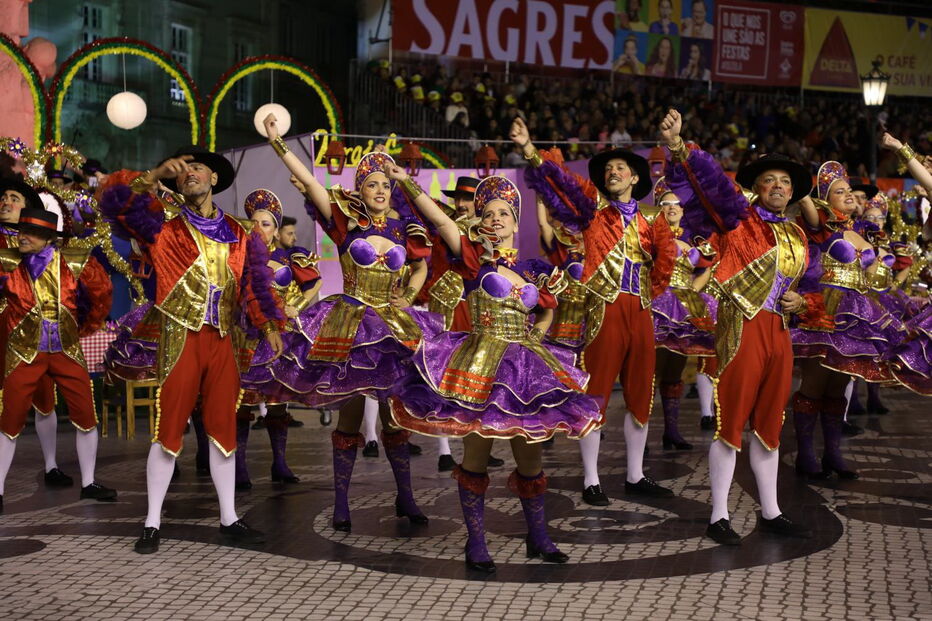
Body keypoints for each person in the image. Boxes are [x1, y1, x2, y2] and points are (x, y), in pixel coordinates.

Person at [388, 172, 602, 572]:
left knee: (530, 458)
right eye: (489, 213)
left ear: (516, 223)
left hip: (524, 366)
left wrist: (537, 333)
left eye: (505, 212)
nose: (497, 218)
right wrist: (407, 183)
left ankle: (538, 538)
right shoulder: (473, 260)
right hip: (482, 363)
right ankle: (477, 542)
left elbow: (547, 309)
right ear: (481, 222)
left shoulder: (530, 269)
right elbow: (442, 222)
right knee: (477, 455)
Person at [100, 145, 285, 554]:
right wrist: (152, 174)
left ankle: (229, 517)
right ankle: (151, 522)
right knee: (168, 428)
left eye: (196, 168)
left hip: (224, 340)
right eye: (182, 171)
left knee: (222, 426)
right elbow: (114, 203)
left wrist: (269, 324)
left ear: (214, 178)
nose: (189, 174)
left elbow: (255, 284)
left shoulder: (241, 232)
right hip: (182, 334)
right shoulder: (162, 225)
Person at [260, 114, 439, 533]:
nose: (379, 190)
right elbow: (312, 180)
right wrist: (278, 142)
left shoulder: (404, 228)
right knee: (350, 416)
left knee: (395, 418)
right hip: (352, 323)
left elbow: (420, 268)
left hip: (392, 324)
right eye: (371, 184)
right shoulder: (344, 222)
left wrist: (409, 295)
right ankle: (341, 502)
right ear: (360, 190)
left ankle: (406, 497)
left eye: (384, 184)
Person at [659, 108, 816, 545]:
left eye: (785, 183)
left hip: (780, 336)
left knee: (770, 424)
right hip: (742, 329)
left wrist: (803, 300)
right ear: (757, 187)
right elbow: (708, 186)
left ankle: (771, 511)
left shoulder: (799, 237)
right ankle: (719, 516)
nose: (779, 188)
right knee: (730, 426)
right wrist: (679, 147)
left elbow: (817, 288)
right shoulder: (736, 219)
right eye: (770, 181)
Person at [516, 116, 677, 506]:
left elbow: (667, 261)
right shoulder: (593, 213)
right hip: (604, 311)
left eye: (619, 167)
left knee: (641, 394)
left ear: (635, 178)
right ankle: (591, 480)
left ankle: (636, 475)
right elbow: (565, 186)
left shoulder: (653, 218)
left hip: (639, 312)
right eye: (608, 169)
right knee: (596, 394)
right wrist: (530, 151)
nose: (612, 172)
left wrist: (648, 294)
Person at [0, 206, 116, 513]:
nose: (22, 238)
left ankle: (89, 483)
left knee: (86, 416)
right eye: (22, 231)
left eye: (31, 233)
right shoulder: (8, 262)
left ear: (49, 238)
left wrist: (86, 326)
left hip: (66, 351)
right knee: (9, 420)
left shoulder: (75, 263)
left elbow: (102, 292)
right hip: (25, 352)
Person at [234, 189, 322, 489]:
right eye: (254, 223)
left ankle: (280, 462)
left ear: (275, 229)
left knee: (277, 401)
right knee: (242, 403)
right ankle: (239, 466)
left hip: (280, 339)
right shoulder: (239, 257)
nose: (259, 228)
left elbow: (314, 280)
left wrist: (299, 304)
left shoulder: (287, 256)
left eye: (267, 223)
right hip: (247, 337)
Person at [0, 178, 69, 487]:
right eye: (3, 197)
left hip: (29, 334)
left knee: (44, 398)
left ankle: (51, 465)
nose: (5, 202)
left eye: (13, 197)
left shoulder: (39, 246)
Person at [649, 178, 718, 451]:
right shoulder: (649, 239)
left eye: (676, 203)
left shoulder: (692, 242)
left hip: (683, 305)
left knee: (674, 369)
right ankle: (639, 432)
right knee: (650, 371)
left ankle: (672, 431)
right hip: (657, 304)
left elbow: (706, 268)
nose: (671, 207)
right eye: (665, 204)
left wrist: (691, 292)